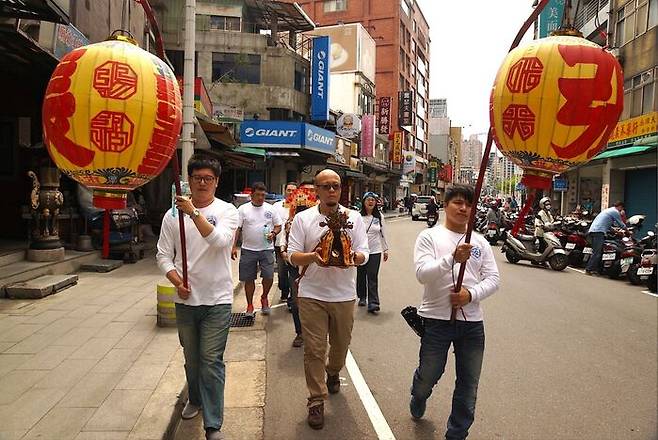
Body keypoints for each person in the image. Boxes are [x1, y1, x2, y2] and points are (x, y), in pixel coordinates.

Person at [156, 154, 238, 440]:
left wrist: (192, 212)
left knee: (211, 360)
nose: (202, 183)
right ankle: (195, 398)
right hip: (186, 300)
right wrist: (176, 281)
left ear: (216, 182)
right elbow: (163, 256)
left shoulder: (228, 211)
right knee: (192, 359)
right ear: (188, 180)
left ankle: (213, 425)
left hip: (218, 299)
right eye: (197, 178)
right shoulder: (171, 216)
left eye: (208, 179)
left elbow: (220, 242)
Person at [410, 184, 500, 440]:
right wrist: (452, 258)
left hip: (472, 324)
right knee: (429, 374)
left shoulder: (480, 241)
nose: (463, 208)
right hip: (436, 320)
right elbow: (422, 274)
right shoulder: (429, 237)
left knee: (468, 384)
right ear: (445, 205)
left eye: (469, 205)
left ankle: (457, 433)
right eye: (458, 203)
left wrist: (469, 295)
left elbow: (493, 279)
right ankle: (418, 394)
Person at [287, 169, 369, 430]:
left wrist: (352, 257)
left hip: (344, 295)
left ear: (341, 189)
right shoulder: (304, 219)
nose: (332, 190)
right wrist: (314, 257)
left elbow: (364, 253)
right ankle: (315, 400)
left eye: (336, 185)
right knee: (314, 349)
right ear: (317, 191)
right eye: (326, 186)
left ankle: (333, 371)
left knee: (340, 347)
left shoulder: (353, 218)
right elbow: (291, 256)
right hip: (312, 294)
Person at [232, 182, 282, 317]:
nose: (261, 197)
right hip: (248, 249)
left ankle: (264, 297)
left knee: (269, 276)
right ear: (251, 195)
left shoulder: (270, 209)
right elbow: (238, 229)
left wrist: (274, 233)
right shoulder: (243, 209)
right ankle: (249, 305)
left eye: (263, 195)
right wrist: (233, 247)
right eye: (258, 195)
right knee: (248, 279)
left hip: (267, 249)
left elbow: (278, 226)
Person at [357, 192, 389, 314]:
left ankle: (373, 302)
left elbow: (383, 234)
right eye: (368, 200)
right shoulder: (358, 217)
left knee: (372, 276)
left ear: (375, 203)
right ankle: (362, 297)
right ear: (364, 202)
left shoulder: (379, 217)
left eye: (373, 200)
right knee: (361, 275)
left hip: (375, 251)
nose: (370, 202)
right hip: (360, 251)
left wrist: (385, 249)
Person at [273, 182, 298, 305]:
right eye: (289, 190)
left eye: (294, 190)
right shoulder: (277, 206)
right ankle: (284, 291)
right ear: (285, 191)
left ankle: (292, 299)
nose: (291, 192)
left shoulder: (300, 206)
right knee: (282, 273)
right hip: (279, 245)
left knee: (294, 274)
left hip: (295, 247)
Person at [585, 201, 626, 275]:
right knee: (597, 252)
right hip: (599, 232)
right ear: (620, 206)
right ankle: (589, 269)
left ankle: (595, 269)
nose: (621, 210)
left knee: (597, 251)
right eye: (621, 208)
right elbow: (621, 224)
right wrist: (627, 231)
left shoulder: (608, 210)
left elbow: (607, 225)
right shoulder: (615, 211)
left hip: (594, 230)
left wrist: (616, 231)